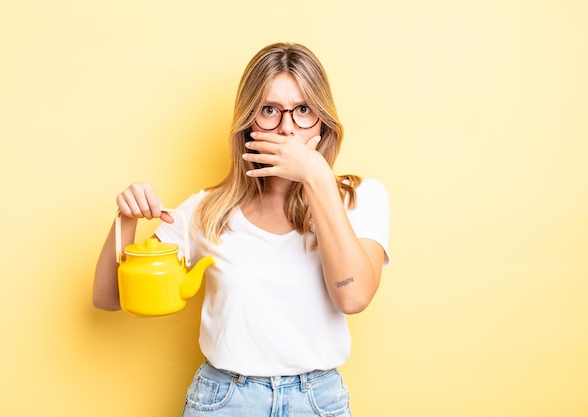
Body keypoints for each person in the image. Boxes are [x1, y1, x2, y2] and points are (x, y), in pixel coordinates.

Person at [93, 42, 390, 417]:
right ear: (249, 122)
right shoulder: (207, 211)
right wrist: (126, 219)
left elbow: (354, 297)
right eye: (270, 110)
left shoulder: (361, 198)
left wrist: (316, 176)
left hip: (318, 401)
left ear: (322, 120)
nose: (286, 128)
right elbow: (109, 297)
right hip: (223, 401)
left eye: (302, 110)